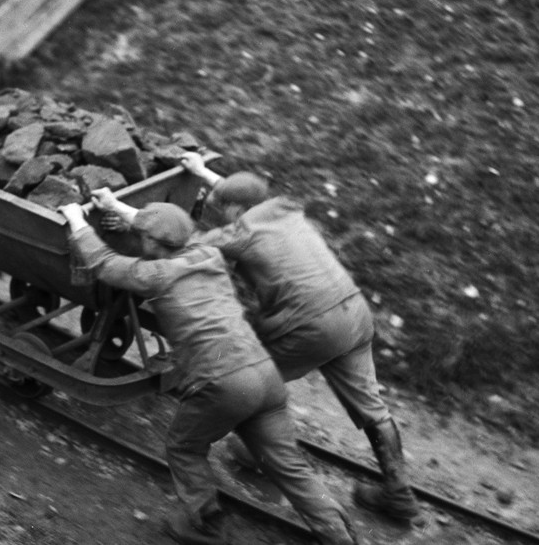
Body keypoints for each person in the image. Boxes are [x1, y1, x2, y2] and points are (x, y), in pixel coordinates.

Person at [59, 199, 359, 545]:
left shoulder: (156, 275)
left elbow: (103, 262)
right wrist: (118, 207)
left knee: (184, 446)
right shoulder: (209, 255)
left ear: (154, 244)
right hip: (265, 375)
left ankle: (204, 524)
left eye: (144, 238)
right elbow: (174, 231)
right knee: (286, 463)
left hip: (223, 382)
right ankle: (337, 533)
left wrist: (75, 218)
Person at [167, 152, 421, 525]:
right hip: (353, 312)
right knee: (373, 409)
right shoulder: (285, 210)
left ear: (237, 209)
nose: (223, 214)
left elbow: (183, 244)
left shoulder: (241, 231)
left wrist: (128, 217)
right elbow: (241, 196)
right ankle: (399, 494)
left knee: (249, 381)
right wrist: (201, 172)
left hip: (309, 326)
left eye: (225, 209)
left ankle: (263, 460)